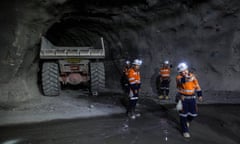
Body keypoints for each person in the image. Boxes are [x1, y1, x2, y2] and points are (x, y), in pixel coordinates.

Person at [176, 62, 203, 138]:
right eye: (182, 71)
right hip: (183, 98)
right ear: (180, 72)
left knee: (193, 114)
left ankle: (187, 121)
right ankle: (185, 131)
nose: (184, 72)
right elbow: (182, 81)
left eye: (185, 70)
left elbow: (197, 86)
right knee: (183, 115)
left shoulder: (193, 76)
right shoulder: (178, 77)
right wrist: (189, 78)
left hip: (192, 99)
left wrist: (200, 95)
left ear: (187, 69)